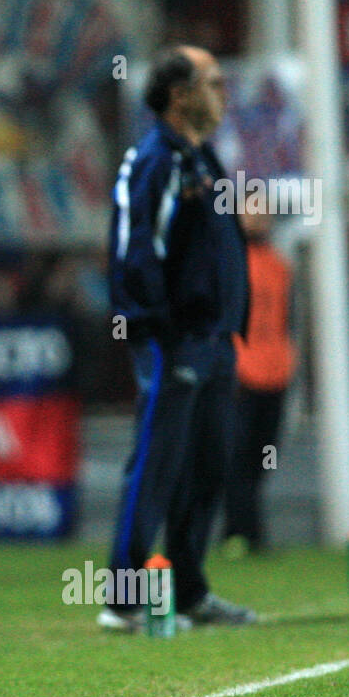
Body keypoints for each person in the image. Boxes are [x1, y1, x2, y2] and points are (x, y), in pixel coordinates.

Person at [100, 45, 255, 632]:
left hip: (214, 339)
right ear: (179, 95)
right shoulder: (154, 160)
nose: (224, 93)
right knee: (159, 462)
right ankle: (122, 599)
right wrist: (157, 324)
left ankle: (188, 589)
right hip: (174, 338)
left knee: (209, 465)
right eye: (213, 82)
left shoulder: (202, 157)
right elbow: (135, 249)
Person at [223, 207, 295, 556]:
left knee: (262, 456)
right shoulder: (226, 262)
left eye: (263, 214)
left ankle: (245, 529)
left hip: (276, 373)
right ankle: (242, 532)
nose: (259, 220)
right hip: (241, 374)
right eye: (252, 213)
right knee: (237, 458)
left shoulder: (280, 266)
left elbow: (288, 320)